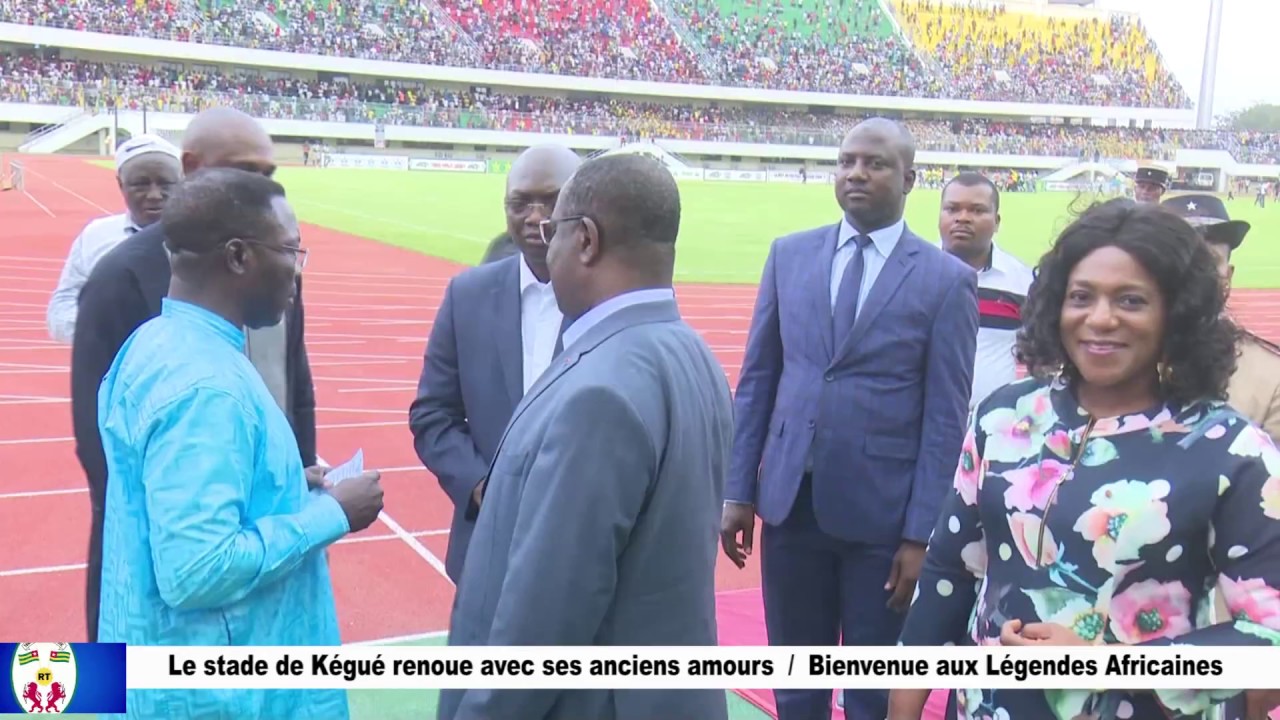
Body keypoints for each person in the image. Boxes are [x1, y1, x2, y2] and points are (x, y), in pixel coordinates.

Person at [890, 199, 1280, 720]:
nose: (1100, 318)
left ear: (1176, 313)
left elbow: (1268, 638)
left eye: (1132, 300)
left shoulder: (1231, 450)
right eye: (1081, 297)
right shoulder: (1004, 416)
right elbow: (949, 572)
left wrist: (1105, 664)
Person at [438, 154, 733, 720]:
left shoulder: (599, 390)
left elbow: (546, 613)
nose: (543, 251)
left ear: (587, 241)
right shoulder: (691, 353)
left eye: (554, 233)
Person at [95, 168, 384, 718]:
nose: (296, 274)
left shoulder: (155, 344)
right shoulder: (208, 386)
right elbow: (196, 567)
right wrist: (332, 515)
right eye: (290, 252)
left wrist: (282, 487)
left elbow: (172, 496)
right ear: (238, 257)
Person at [720, 118, 979, 720]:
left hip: (882, 523)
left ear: (910, 178)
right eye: (846, 161)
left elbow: (945, 418)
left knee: (871, 687)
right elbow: (758, 380)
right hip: (790, 504)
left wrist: (921, 535)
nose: (856, 173)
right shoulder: (790, 255)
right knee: (795, 675)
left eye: (876, 164)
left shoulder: (947, 281)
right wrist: (738, 489)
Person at [70, 106, 317, 643]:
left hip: (266, 541)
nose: (261, 187)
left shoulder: (276, 264)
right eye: (245, 170)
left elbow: (294, 386)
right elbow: (99, 437)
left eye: (268, 174)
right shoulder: (122, 277)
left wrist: (295, 482)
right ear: (192, 166)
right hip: (176, 556)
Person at [408, 144, 580, 584]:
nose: (535, 216)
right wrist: (484, 488)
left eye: (552, 201)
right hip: (487, 553)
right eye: (520, 203)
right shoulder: (466, 295)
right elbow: (432, 416)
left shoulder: (609, 301)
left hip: (584, 553)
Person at [1160, 193, 1280, 443]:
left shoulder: (1271, 378)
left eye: (1208, 262)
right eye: (1178, 260)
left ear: (1228, 276)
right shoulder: (1105, 357)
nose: (1193, 275)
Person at [46, 134, 182, 343]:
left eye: (165, 183)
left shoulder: (205, 239)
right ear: (121, 184)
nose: (154, 194)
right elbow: (62, 306)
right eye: (141, 184)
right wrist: (108, 334)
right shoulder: (96, 236)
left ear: (181, 182)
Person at [939, 171, 1034, 414]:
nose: (963, 218)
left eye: (977, 210)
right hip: (922, 422)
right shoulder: (912, 275)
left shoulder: (1023, 282)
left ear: (997, 221)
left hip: (997, 423)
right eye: (952, 209)